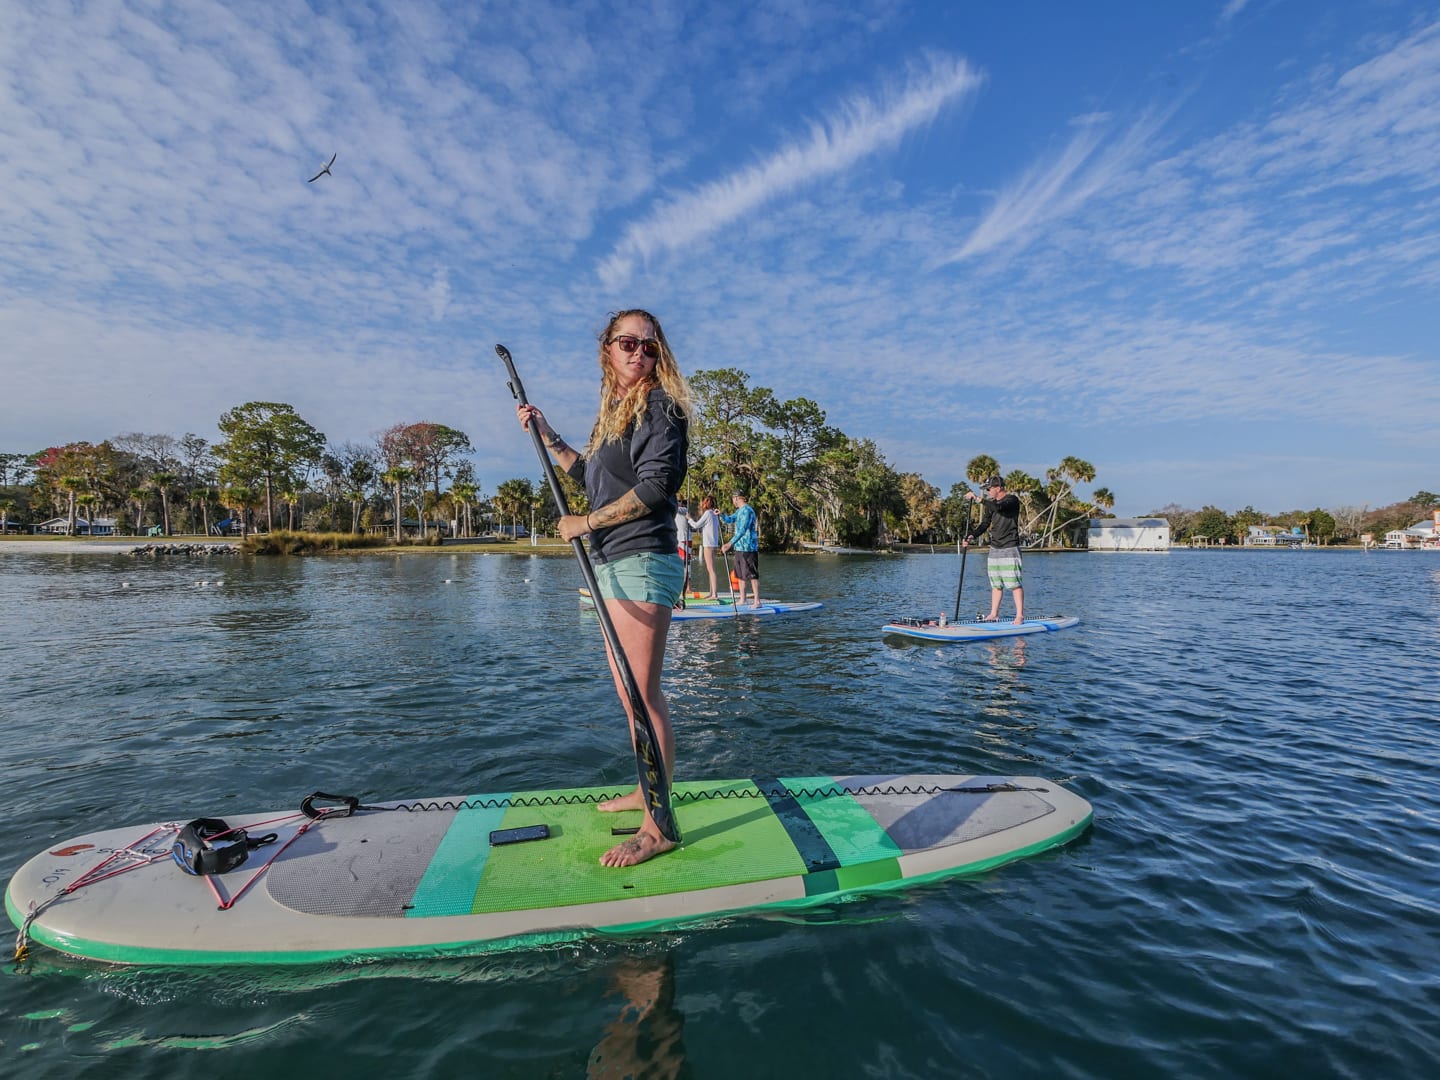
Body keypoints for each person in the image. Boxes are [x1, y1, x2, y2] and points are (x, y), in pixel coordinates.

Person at [516, 309, 690, 868]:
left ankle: (659, 826)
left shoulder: (661, 408)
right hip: (612, 563)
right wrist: (549, 437)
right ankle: (646, 790)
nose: (639, 352)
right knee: (629, 694)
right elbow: (589, 474)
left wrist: (584, 524)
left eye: (648, 344)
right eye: (627, 343)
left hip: (643, 558)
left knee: (642, 694)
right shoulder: (615, 414)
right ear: (607, 350)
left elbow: (657, 487)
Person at [964, 475, 1024, 624]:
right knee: (996, 584)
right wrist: (972, 535)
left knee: (1014, 584)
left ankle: (1019, 616)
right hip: (995, 548)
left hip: (1010, 547)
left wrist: (978, 499)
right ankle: (994, 613)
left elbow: (999, 508)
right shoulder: (991, 504)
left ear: (998, 488)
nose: (988, 492)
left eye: (989, 489)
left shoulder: (1012, 501)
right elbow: (985, 524)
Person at [720, 491, 760, 607]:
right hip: (739, 547)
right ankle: (743, 599)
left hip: (749, 547)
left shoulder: (747, 511)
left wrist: (729, 544)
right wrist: (721, 514)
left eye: (733, 499)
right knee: (740, 574)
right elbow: (729, 519)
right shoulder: (739, 511)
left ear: (737, 498)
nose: (733, 501)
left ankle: (757, 601)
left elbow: (742, 530)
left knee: (752, 574)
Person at [687, 495, 722, 599]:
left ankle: (714, 594)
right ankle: (712, 593)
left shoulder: (708, 513)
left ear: (706, 503)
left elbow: (696, 525)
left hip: (708, 544)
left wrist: (689, 519)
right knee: (711, 569)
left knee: (710, 569)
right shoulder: (715, 514)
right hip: (714, 543)